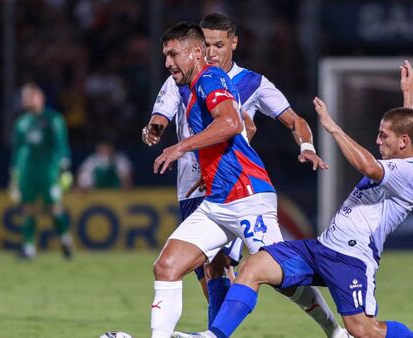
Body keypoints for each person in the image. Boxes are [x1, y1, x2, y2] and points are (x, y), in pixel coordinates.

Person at [173, 61, 413, 338]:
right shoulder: (403, 156)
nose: (378, 142)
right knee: (254, 266)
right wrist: (408, 95)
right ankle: (215, 336)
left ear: (403, 141)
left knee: (364, 331)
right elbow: (408, 129)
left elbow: (368, 166)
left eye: (383, 136)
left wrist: (333, 128)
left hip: (352, 259)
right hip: (322, 248)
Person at [144, 14, 346, 338]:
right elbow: (236, 131)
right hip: (216, 197)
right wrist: (206, 170)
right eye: (164, 55)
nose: (167, 63)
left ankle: (335, 324)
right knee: (167, 266)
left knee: (281, 275)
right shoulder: (192, 85)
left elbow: (231, 124)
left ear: (196, 53)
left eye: (173, 54)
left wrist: (180, 147)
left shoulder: (211, 80)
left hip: (247, 195)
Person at [9, 82, 74, 259]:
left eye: (32, 96)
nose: (29, 100)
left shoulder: (53, 119)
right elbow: (17, 150)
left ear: (41, 98)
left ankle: (65, 240)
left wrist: (65, 167)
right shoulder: (21, 123)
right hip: (27, 171)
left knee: (54, 207)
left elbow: (61, 144)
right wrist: (14, 174)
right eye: (26, 97)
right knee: (28, 208)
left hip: (48, 171)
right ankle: (29, 248)